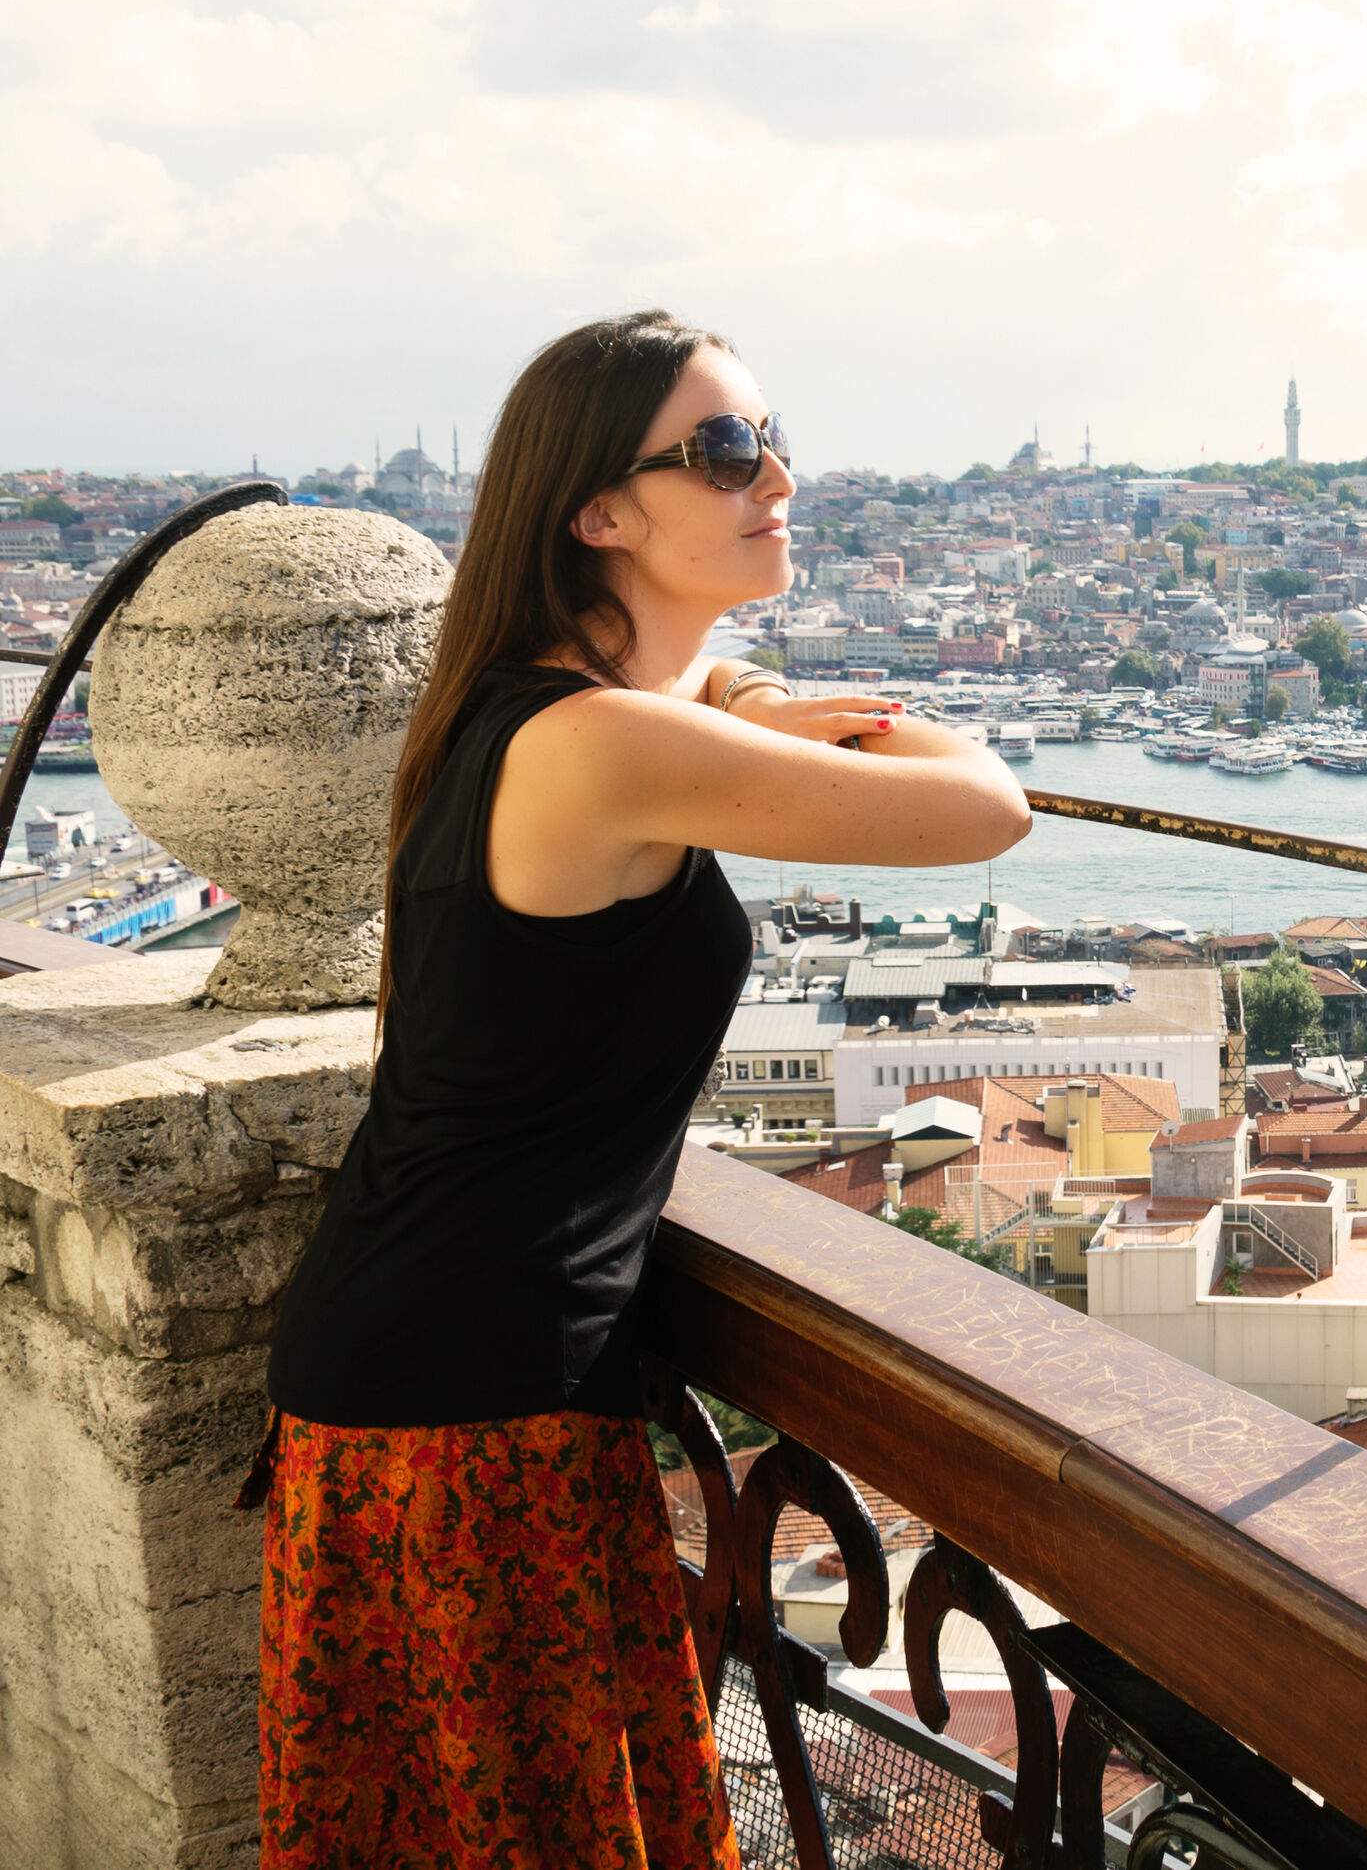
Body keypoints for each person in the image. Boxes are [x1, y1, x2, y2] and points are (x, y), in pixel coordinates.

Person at [241, 309, 1031, 1865]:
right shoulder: (605, 747)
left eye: (769, 436)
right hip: (478, 1413)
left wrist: (722, 695)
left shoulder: (519, 706)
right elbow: (985, 804)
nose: (775, 474)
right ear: (599, 513)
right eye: (724, 450)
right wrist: (744, 704)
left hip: (419, 1375)